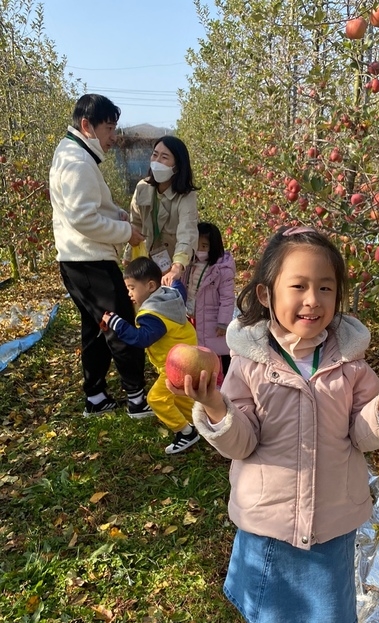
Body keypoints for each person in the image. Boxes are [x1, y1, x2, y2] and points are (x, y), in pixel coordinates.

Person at [168, 226, 379, 623]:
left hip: (332, 512)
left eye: (327, 287)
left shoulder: (352, 367)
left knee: (334, 610)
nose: (313, 300)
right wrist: (217, 408)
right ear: (267, 294)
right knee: (278, 607)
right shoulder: (246, 366)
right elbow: (242, 442)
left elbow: (362, 432)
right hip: (269, 515)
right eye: (299, 286)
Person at [49, 93, 151, 418]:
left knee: (95, 328)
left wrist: (118, 214)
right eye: (109, 128)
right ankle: (137, 398)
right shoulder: (77, 161)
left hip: (77, 260)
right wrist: (127, 233)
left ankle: (95, 397)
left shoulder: (73, 154)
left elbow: (90, 208)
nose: (113, 137)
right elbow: (84, 219)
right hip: (89, 261)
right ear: (86, 126)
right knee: (120, 322)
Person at [102, 257, 200, 455]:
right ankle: (201, 424)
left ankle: (186, 432)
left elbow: (142, 339)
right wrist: (174, 279)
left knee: (156, 399)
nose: (129, 294)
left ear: (150, 285)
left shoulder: (154, 314)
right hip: (187, 357)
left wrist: (116, 323)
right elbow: (178, 288)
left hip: (176, 364)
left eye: (131, 288)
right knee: (180, 397)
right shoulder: (169, 298)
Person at [124, 135, 198, 282]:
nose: (157, 161)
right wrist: (128, 257)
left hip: (172, 265)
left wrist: (177, 266)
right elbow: (135, 225)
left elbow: (187, 232)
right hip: (145, 262)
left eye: (164, 157)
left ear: (177, 165)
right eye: (155, 155)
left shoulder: (186, 196)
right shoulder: (142, 187)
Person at [182, 222, 236, 381]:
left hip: (212, 321)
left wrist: (223, 323)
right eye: (197, 245)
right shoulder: (190, 264)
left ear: (214, 246)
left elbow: (227, 298)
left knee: (215, 353)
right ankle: (201, 381)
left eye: (204, 246)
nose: (200, 250)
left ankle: (220, 385)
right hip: (193, 316)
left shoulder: (222, 269)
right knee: (198, 351)